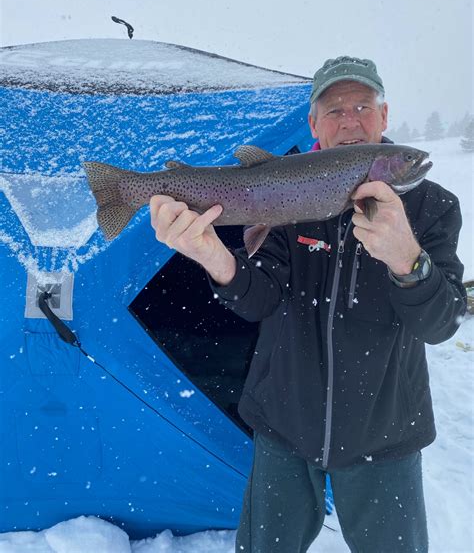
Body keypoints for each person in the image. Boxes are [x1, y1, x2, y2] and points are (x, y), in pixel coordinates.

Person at [149, 56, 466, 553]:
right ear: (314, 123)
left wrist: (409, 260)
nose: (350, 119)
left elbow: (442, 323)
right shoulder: (289, 189)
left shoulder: (433, 206)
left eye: (363, 105)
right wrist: (214, 256)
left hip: (385, 434)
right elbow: (258, 300)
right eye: (333, 110)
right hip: (283, 425)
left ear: (384, 117)